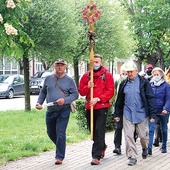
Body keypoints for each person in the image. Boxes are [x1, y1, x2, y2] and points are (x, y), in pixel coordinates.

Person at [35, 59, 79, 165]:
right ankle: (61, 146)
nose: (60, 67)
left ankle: (59, 156)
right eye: (58, 65)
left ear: (65, 67)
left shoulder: (69, 80)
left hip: (63, 110)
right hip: (50, 110)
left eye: (62, 65)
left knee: (60, 133)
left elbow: (75, 95)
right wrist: (39, 103)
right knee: (50, 132)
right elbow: (43, 92)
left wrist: (65, 100)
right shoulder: (48, 78)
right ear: (54, 66)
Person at [114, 60, 156, 166]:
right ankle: (132, 156)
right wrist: (117, 114)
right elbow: (119, 100)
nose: (129, 74)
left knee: (143, 135)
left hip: (141, 113)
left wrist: (152, 114)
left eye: (131, 71)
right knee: (128, 135)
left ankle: (144, 147)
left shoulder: (144, 83)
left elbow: (150, 98)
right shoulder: (124, 83)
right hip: (127, 113)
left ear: (136, 71)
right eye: (127, 72)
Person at [78, 54, 114, 165]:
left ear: (101, 62)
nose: (95, 64)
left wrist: (98, 99)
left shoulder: (107, 75)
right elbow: (81, 92)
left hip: (101, 107)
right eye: (93, 62)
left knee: (99, 130)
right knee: (93, 132)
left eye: (97, 62)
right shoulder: (87, 76)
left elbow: (110, 91)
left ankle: (96, 156)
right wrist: (87, 87)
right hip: (90, 107)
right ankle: (102, 145)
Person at [148, 67, 170, 154]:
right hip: (153, 111)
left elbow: (168, 98)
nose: (156, 76)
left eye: (158, 74)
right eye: (154, 74)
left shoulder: (166, 86)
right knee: (151, 129)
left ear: (161, 75)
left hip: (163, 111)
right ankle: (149, 148)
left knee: (163, 129)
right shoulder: (151, 85)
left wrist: (166, 108)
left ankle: (164, 146)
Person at [112, 64, 127, 155]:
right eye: (123, 73)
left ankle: (131, 143)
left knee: (130, 129)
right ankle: (117, 146)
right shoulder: (117, 81)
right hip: (119, 107)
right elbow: (114, 94)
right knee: (118, 127)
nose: (125, 75)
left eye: (126, 73)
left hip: (129, 108)